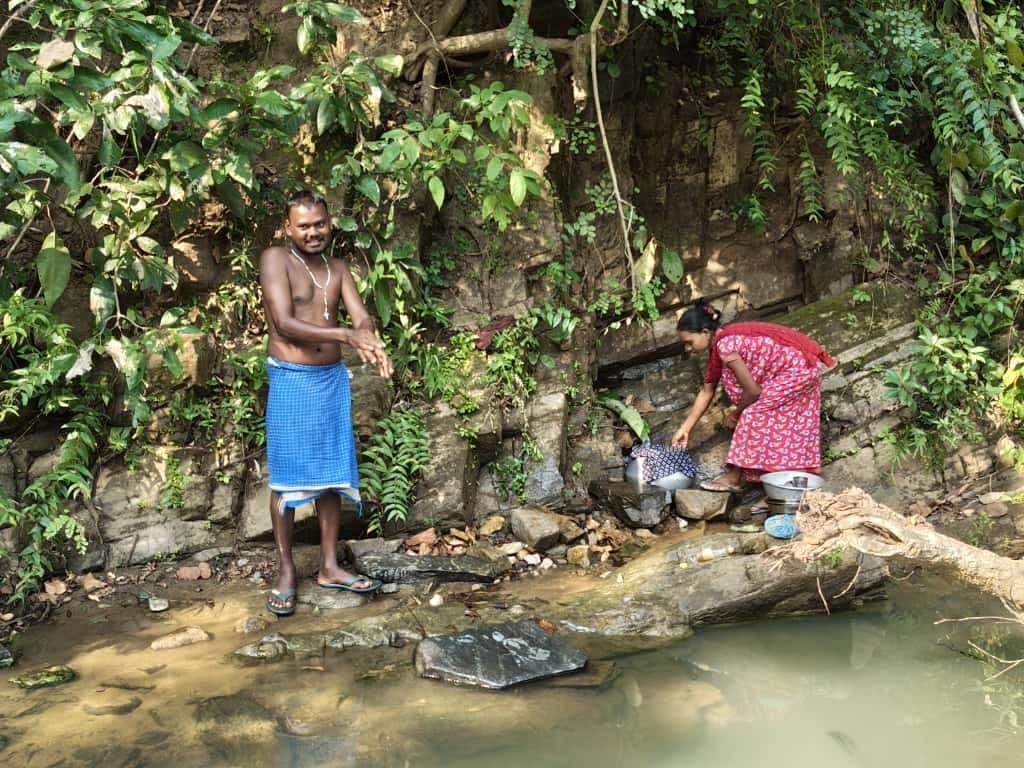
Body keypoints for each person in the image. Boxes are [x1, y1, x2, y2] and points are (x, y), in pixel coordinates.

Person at [260, 190, 393, 616]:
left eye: (319, 224)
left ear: (329, 222)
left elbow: (360, 315)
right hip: (292, 379)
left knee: (332, 475)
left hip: (331, 381)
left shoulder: (337, 269)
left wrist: (366, 333)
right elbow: (283, 321)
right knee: (286, 477)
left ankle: (330, 565)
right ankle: (285, 570)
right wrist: (345, 336)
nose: (313, 232)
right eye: (304, 225)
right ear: (288, 228)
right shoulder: (275, 259)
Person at [671, 298, 835, 505]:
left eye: (689, 342)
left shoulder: (726, 345)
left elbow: (753, 392)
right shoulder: (719, 345)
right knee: (778, 421)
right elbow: (707, 390)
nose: (687, 348)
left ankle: (735, 478)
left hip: (799, 370)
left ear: (705, 332)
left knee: (751, 415)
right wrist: (685, 428)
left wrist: (735, 413)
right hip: (794, 369)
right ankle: (778, 488)